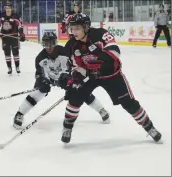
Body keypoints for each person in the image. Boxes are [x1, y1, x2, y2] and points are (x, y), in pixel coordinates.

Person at [59, 13, 162, 144]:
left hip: (111, 74)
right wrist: (73, 82)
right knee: (74, 98)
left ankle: (149, 127)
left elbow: (115, 51)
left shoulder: (100, 34)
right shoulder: (71, 45)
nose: (74, 32)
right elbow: (75, 67)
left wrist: (99, 65)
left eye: (77, 28)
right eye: (72, 28)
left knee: (129, 103)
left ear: (86, 27)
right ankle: (67, 128)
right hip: (90, 76)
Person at [13, 32, 110, 129]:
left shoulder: (65, 52)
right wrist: (42, 81)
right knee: (38, 92)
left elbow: (75, 65)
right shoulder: (40, 58)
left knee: (80, 91)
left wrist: (71, 78)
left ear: (55, 42)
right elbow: (39, 74)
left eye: (51, 43)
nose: (49, 47)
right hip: (49, 79)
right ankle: (19, 114)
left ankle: (101, 110)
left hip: (65, 78)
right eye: (46, 44)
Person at [0, 2, 26, 75]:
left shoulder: (16, 16)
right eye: (6, 8)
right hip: (5, 37)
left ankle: (17, 67)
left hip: (14, 37)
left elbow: (20, 26)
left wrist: (22, 35)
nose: (8, 9)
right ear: (5, 9)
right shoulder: (1, 16)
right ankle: (9, 68)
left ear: (11, 9)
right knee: (7, 53)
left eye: (9, 8)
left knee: (15, 53)